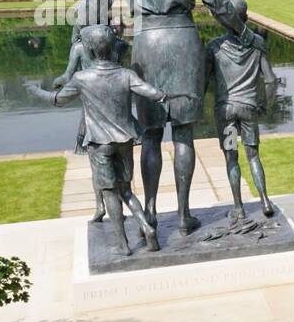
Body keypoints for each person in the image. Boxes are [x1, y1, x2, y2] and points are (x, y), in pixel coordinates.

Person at [91, 0, 253, 235]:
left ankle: (148, 211)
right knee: (183, 134)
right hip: (183, 42)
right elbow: (219, 5)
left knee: (150, 134)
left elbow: (98, 1)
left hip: (147, 41)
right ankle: (182, 216)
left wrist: (98, 45)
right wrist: (246, 34)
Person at [24, 25, 182, 257]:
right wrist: (169, 94)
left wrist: (35, 90)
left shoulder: (82, 78)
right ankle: (147, 226)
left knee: (110, 193)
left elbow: (56, 100)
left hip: (100, 144)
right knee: (126, 190)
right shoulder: (126, 74)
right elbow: (153, 93)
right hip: (125, 141)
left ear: (89, 50)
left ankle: (123, 244)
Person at [205, 0, 278, 221]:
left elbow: (203, 81)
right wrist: (266, 105)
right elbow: (271, 81)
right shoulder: (257, 43)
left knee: (231, 157)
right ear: (245, 17)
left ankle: (239, 207)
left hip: (225, 111)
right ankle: (264, 199)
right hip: (248, 108)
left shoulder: (214, 47)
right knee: (253, 155)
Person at [54, 21, 129, 220]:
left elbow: (68, 75)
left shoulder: (79, 47)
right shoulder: (119, 45)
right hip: (116, 109)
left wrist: (56, 85)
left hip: (92, 111)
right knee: (120, 165)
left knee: (97, 164)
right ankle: (119, 206)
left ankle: (100, 206)